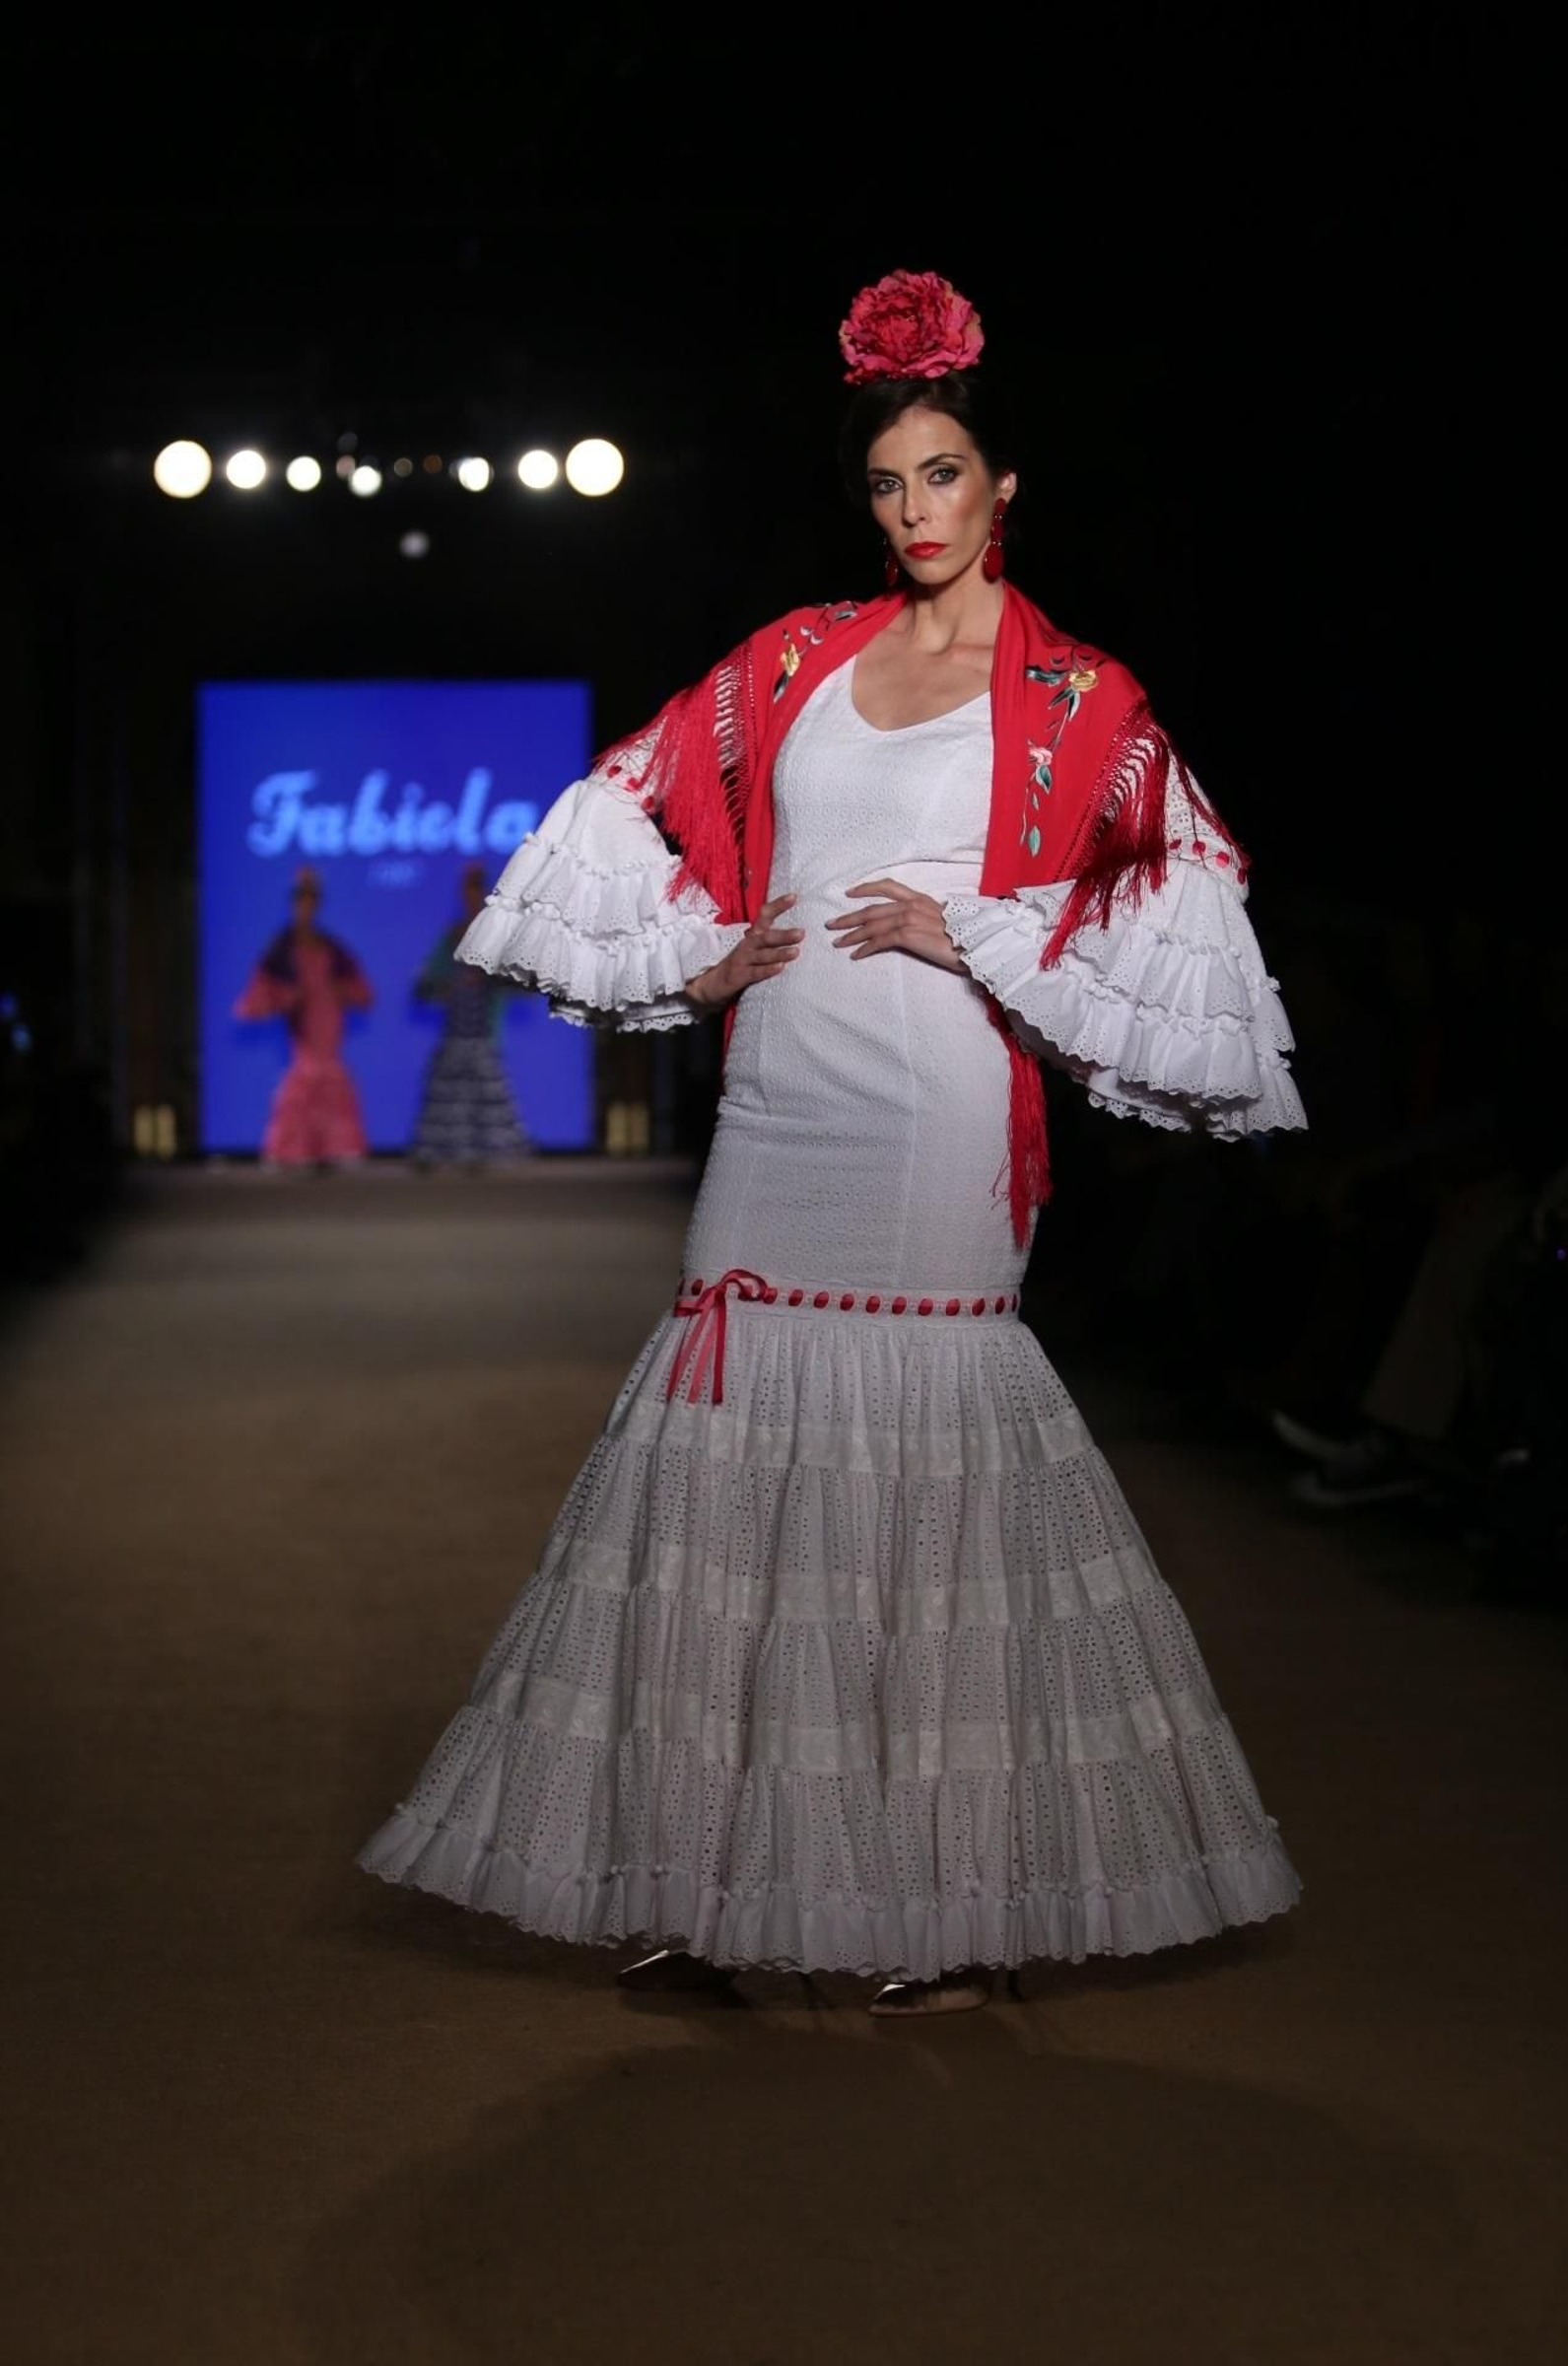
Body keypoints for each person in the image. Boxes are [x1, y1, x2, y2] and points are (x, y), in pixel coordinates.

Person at [358, 271, 1308, 2013]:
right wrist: (702, 956)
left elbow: (1180, 898)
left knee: (924, 1488)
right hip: (784, 1086)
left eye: (943, 474)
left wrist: (987, 940)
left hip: (942, 1099)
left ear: (1002, 486)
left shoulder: (1084, 696)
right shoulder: (791, 656)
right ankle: (730, 1891)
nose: (915, 509)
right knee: (735, 1474)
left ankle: (926, 1916)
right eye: (887, 483)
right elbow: (632, 804)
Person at [234, 866, 374, 1169]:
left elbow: (359, 989)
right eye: (302, 900)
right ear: (294, 904)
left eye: (312, 900)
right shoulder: (282, 948)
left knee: (331, 1073)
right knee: (306, 1073)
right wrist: (285, 998)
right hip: (305, 1020)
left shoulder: (331, 946)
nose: (306, 907)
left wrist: (342, 992)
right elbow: (260, 994)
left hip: (328, 1015)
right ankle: (293, 1149)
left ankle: (336, 1147)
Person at [411, 862, 532, 1168]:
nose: (472, 895)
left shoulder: (497, 936)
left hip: (483, 1030)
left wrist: (486, 979)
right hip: (456, 1030)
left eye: (477, 889)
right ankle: (440, 1151)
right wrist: (450, 986)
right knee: (449, 1088)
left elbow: (520, 981)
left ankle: (487, 1152)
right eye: (468, 889)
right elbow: (423, 985)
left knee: (485, 1088)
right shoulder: (452, 936)